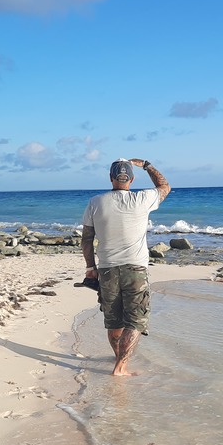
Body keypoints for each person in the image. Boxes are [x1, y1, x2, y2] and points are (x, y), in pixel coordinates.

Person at [81, 158, 171, 376]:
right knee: (135, 320)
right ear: (132, 179)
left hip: (107, 270)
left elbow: (86, 239)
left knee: (114, 321)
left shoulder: (95, 202)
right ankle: (121, 367)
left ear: (111, 178)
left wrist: (90, 267)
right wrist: (147, 165)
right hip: (135, 270)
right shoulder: (143, 198)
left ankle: (118, 357)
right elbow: (164, 186)